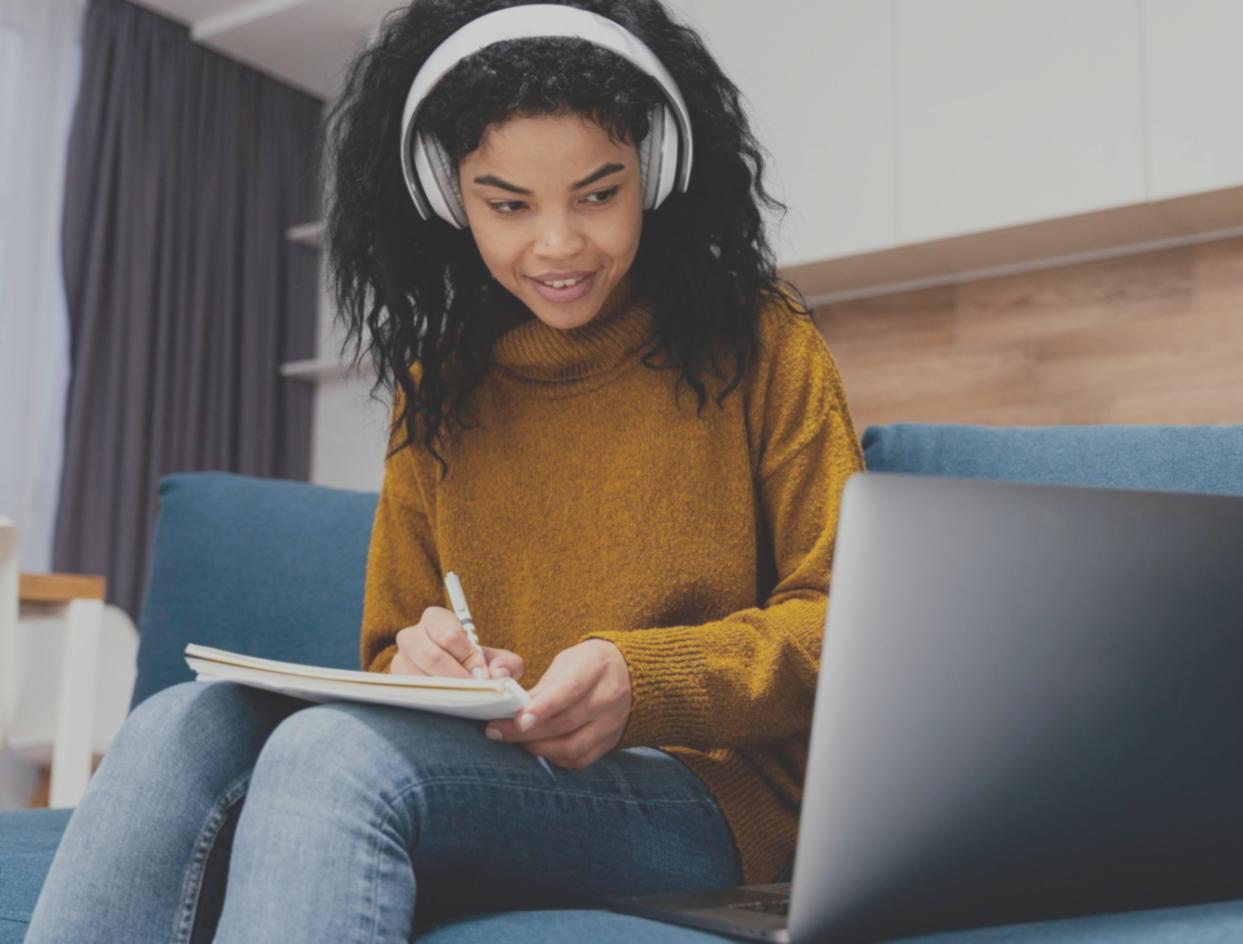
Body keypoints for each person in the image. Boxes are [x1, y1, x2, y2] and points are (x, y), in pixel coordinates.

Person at [25, 1, 864, 940]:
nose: (558, 244)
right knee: (175, 726)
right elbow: (389, 646)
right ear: (446, 195)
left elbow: (847, 622)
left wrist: (643, 681)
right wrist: (425, 659)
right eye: (508, 205)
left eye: (598, 194)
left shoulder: (762, 341)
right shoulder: (439, 388)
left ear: (656, 170)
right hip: (494, 770)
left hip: (710, 796)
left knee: (332, 757)